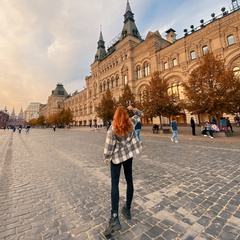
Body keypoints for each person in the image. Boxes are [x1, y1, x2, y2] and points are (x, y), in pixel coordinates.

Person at [103, 105, 142, 238]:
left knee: (115, 184)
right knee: (129, 180)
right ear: (125, 115)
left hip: (117, 158)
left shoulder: (112, 129)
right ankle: (127, 209)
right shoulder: (130, 123)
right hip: (128, 156)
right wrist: (133, 109)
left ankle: (115, 217)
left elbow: (108, 147)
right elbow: (140, 114)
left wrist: (106, 158)